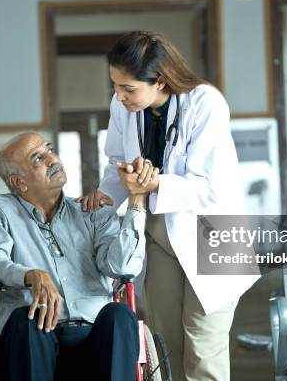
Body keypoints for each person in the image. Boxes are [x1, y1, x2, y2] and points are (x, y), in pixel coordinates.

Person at [78, 30, 258, 381]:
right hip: (161, 233)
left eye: (129, 88)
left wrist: (152, 182)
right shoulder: (123, 107)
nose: (119, 96)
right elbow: (117, 163)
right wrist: (102, 200)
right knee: (165, 346)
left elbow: (211, 188)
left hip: (214, 233)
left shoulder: (204, 103)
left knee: (204, 349)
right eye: (115, 86)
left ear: (159, 80)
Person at [0, 132, 156, 380]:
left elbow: (124, 268)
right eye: (38, 158)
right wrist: (30, 275)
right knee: (26, 321)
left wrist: (135, 200)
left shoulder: (91, 211)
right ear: (19, 183)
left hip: (95, 338)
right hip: (35, 339)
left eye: (49, 149)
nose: (52, 159)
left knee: (120, 315)